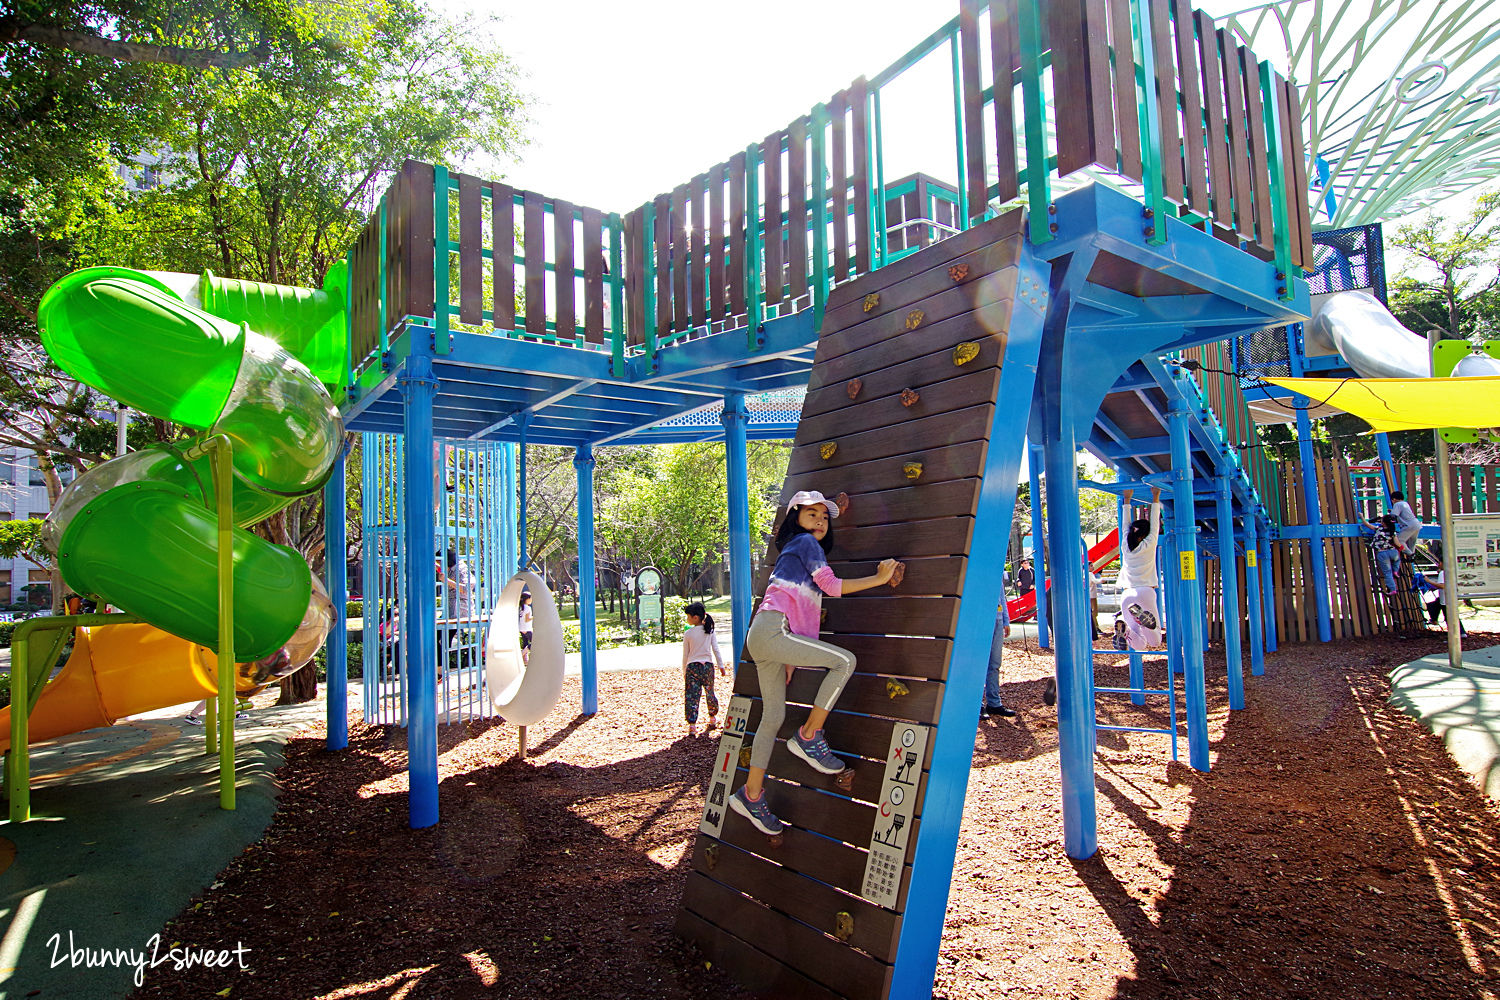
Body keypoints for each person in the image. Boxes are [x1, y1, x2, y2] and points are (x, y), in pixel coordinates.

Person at [729, 490, 901, 837]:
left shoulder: (793, 552)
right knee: (844, 662)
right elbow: (832, 586)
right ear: (796, 519)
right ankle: (809, 735)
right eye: (812, 514)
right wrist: (880, 578)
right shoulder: (806, 544)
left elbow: (794, 600)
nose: (820, 521)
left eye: (825, 517)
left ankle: (751, 795)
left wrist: (789, 652)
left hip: (765, 636)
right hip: (773, 632)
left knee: (773, 718)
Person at [1113, 486, 1163, 652]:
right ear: (1145, 535)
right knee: (1156, 641)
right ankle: (1145, 623)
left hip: (1127, 594)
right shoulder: (1149, 545)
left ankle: (1126, 631)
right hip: (1146, 591)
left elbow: (1125, 525)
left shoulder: (1125, 546)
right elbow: (1155, 523)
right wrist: (1155, 496)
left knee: (1139, 645)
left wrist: (1126, 500)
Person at [681, 601, 726, 735]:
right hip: (707, 666)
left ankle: (692, 725)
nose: (687, 619)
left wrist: (684, 671)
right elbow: (716, 649)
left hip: (692, 667)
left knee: (692, 696)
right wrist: (721, 666)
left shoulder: (688, 634)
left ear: (696, 617)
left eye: (688, 616)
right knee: (710, 692)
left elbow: (685, 655)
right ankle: (712, 717)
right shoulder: (709, 631)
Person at [982, 597, 1015, 718]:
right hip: (981, 618)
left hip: (998, 618)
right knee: (980, 664)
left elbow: (1001, 596)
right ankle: (977, 704)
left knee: (995, 664)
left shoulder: (997, 578)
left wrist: (1006, 620)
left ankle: (994, 703)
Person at [1365, 514, 1402, 596]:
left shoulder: (1379, 529)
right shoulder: (1393, 532)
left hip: (1383, 553)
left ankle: (1393, 589)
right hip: (1393, 552)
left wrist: (1362, 518)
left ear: (1383, 523)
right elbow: (1397, 543)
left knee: (1387, 573)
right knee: (1397, 560)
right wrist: (1402, 548)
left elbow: (1368, 525)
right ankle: (1396, 571)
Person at [518, 591, 534, 663]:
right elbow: (527, 619)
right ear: (526, 599)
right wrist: (534, 617)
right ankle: (521, 655)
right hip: (527, 628)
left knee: (525, 643)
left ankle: (525, 660)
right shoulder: (527, 608)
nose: (531, 600)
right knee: (534, 642)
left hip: (521, 628)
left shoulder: (520, 608)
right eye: (530, 599)